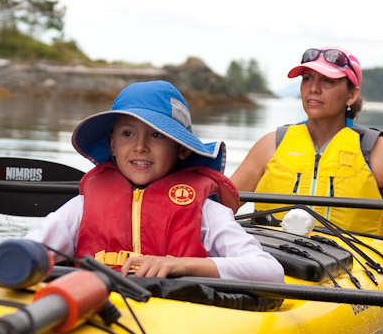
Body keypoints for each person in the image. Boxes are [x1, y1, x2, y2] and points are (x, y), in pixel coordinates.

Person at [25, 80, 284, 283]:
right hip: (92, 305)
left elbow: (270, 271)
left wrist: (180, 265)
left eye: (156, 135)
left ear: (181, 149)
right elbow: (28, 249)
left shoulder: (207, 212)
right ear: (113, 145)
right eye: (128, 133)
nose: (140, 147)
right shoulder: (81, 207)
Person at [230, 46, 383, 240]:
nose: (313, 89)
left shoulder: (379, 152)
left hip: (354, 264)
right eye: (307, 79)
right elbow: (222, 205)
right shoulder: (270, 144)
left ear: (351, 95)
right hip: (270, 254)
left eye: (327, 80)